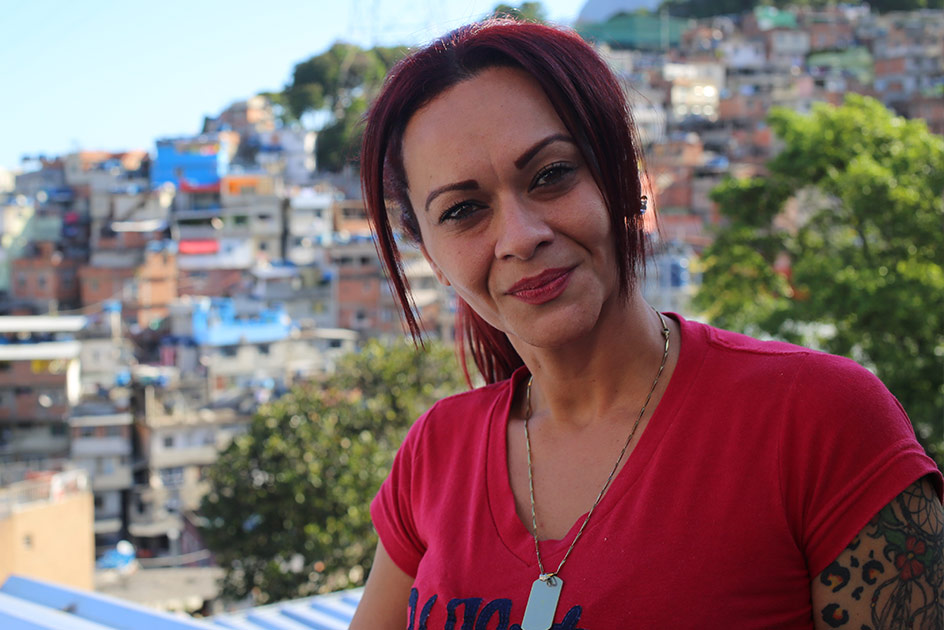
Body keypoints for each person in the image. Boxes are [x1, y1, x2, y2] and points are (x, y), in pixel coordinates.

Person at [350, 18, 943, 630]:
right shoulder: (434, 455)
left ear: (625, 179)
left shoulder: (819, 421)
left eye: (552, 175)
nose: (522, 237)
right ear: (432, 259)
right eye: (464, 210)